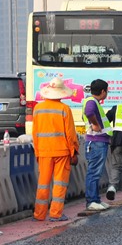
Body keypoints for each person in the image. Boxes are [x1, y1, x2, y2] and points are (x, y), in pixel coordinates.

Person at [32, 77, 79, 222]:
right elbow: (70, 134)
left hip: (44, 151)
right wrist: (74, 152)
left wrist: (38, 152)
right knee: (60, 183)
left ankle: (39, 214)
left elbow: (35, 133)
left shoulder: (37, 109)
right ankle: (55, 214)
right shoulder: (64, 109)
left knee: (43, 183)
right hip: (62, 152)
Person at [82, 79, 112, 211]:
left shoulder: (92, 102)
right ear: (103, 91)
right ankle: (91, 201)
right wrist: (95, 124)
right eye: (107, 90)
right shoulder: (91, 102)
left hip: (98, 141)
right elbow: (89, 113)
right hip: (96, 141)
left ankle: (95, 199)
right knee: (94, 172)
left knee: (96, 172)